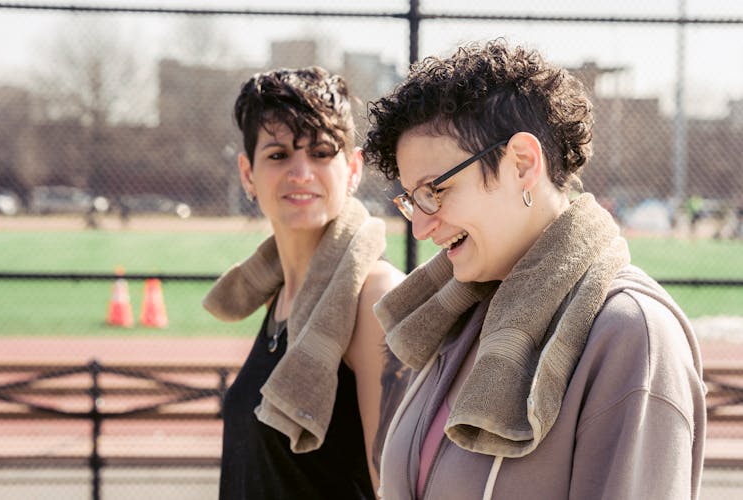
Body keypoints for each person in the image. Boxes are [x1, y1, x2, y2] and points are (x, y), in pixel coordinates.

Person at [362, 40, 706, 500]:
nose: (422, 226)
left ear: (522, 164)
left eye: (435, 190)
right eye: (411, 199)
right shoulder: (464, 315)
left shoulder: (631, 336)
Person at [203, 66, 405, 499]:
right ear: (247, 174)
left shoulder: (373, 296)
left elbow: (394, 489)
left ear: (352, 169)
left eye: (320, 153)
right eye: (278, 155)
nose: (301, 172)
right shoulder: (276, 297)